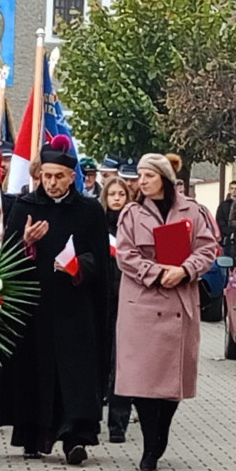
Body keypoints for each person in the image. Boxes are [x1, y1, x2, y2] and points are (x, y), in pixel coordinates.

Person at [0, 136, 111, 464]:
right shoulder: (25, 207)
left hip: (75, 306)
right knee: (35, 370)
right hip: (35, 307)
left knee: (75, 373)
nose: (53, 182)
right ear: (39, 175)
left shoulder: (89, 211)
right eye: (47, 176)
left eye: (59, 176)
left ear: (71, 177)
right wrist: (25, 243)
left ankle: (76, 438)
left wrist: (78, 266)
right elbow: (7, 260)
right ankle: (34, 435)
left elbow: (101, 260)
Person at [115, 154, 219, 471]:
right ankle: (149, 445)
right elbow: (125, 254)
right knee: (143, 381)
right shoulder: (131, 214)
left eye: (148, 175)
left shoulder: (193, 211)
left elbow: (208, 248)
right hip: (143, 304)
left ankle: (161, 435)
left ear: (164, 178)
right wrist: (157, 272)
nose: (142, 181)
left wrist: (185, 270)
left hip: (179, 302)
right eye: (140, 176)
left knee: (172, 383)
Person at [100, 177, 135, 443]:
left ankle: (118, 423)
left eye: (120, 193)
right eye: (111, 194)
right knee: (101, 360)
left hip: (130, 301)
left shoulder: (135, 227)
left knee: (122, 363)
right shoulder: (98, 226)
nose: (116, 198)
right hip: (102, 301)